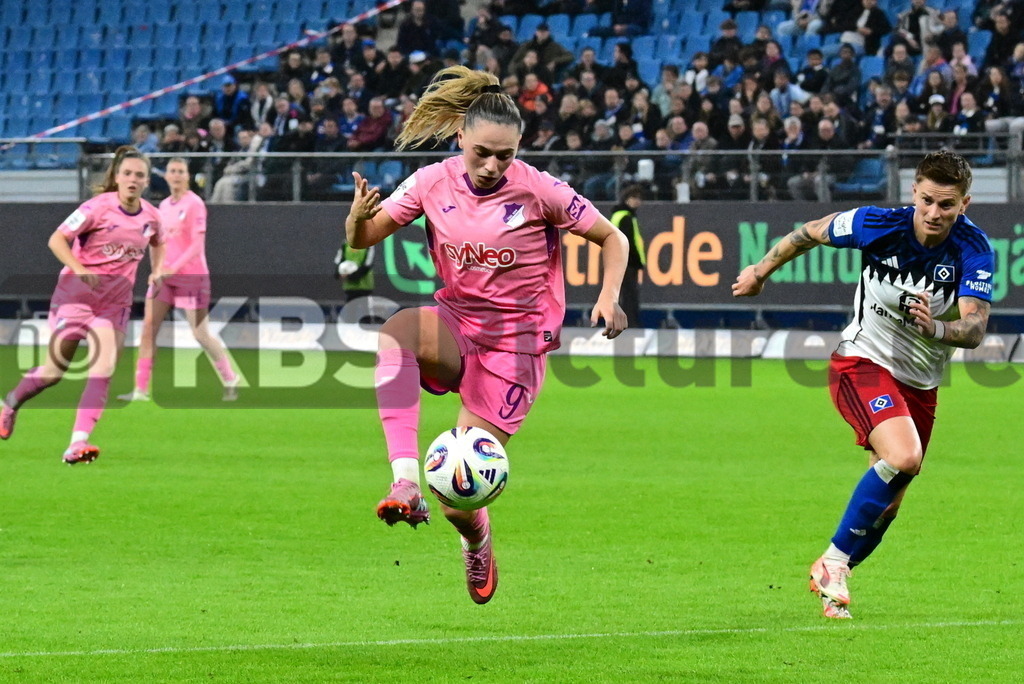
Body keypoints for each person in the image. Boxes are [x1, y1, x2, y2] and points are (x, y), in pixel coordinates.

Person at [344, 66, 627, 604]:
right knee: (397, 331)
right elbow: (365, 239)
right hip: (458, 324)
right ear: (460, 140)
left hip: (515, 347)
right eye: (482, 153)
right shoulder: (431, 181)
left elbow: (611, 238)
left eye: (506, 154)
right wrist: (357, 220)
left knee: (458, 496)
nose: (495, 165)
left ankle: (476, 539)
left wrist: (608, 296)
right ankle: (403, 481)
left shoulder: (541, 189)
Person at [732, 151, 994, 619]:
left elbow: (975, 328)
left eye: (947, 205)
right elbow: (808, 232)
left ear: (965, 204)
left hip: (921, 383)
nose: (935, 214)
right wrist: (759, 272)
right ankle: (833, 561)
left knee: (889, 507)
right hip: (861, 361)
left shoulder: (973, 251)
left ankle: (834, 585)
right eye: (928, 200)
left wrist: (935, 328)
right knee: (905, 456)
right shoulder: (875, 224)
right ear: (914, 192)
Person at [0, 147, 164, 463]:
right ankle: (10, 404)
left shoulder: (151, 217)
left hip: (114, 304)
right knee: (53, 372)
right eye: (127, 173)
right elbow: (56, 239)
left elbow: (159, 241)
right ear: (117, 177)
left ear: (146, 181)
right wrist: (78, 268)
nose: (132, 179)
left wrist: (157, 271)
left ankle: (77, 443)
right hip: (76, 297)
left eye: (139, 175)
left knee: (102, 369)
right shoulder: (95, 208)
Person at [118, 159, 239, 403]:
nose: (175, 176)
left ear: (187, 176)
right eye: (172, 171)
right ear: (166, 177)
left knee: (200, 333)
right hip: (165, 278)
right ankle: (140, 389)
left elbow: (196, 245)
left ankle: (229, 376)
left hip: (191, 276)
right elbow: (158, 243)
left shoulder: (194, 204)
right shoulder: (163, 206)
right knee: (149, 329)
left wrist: (173, 268)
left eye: (180, 172)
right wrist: (157, 270)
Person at [608, 185, 646, 326]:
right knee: (630, 294)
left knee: (623, 293)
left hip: (619, 261)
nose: (638, 202)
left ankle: (621, 321)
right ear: (627, 199)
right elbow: (627, 241)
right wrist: (635, 260)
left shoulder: (620, 215)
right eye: (635, 198)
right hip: (626, 262)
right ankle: (630, 322)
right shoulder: (626, 217)